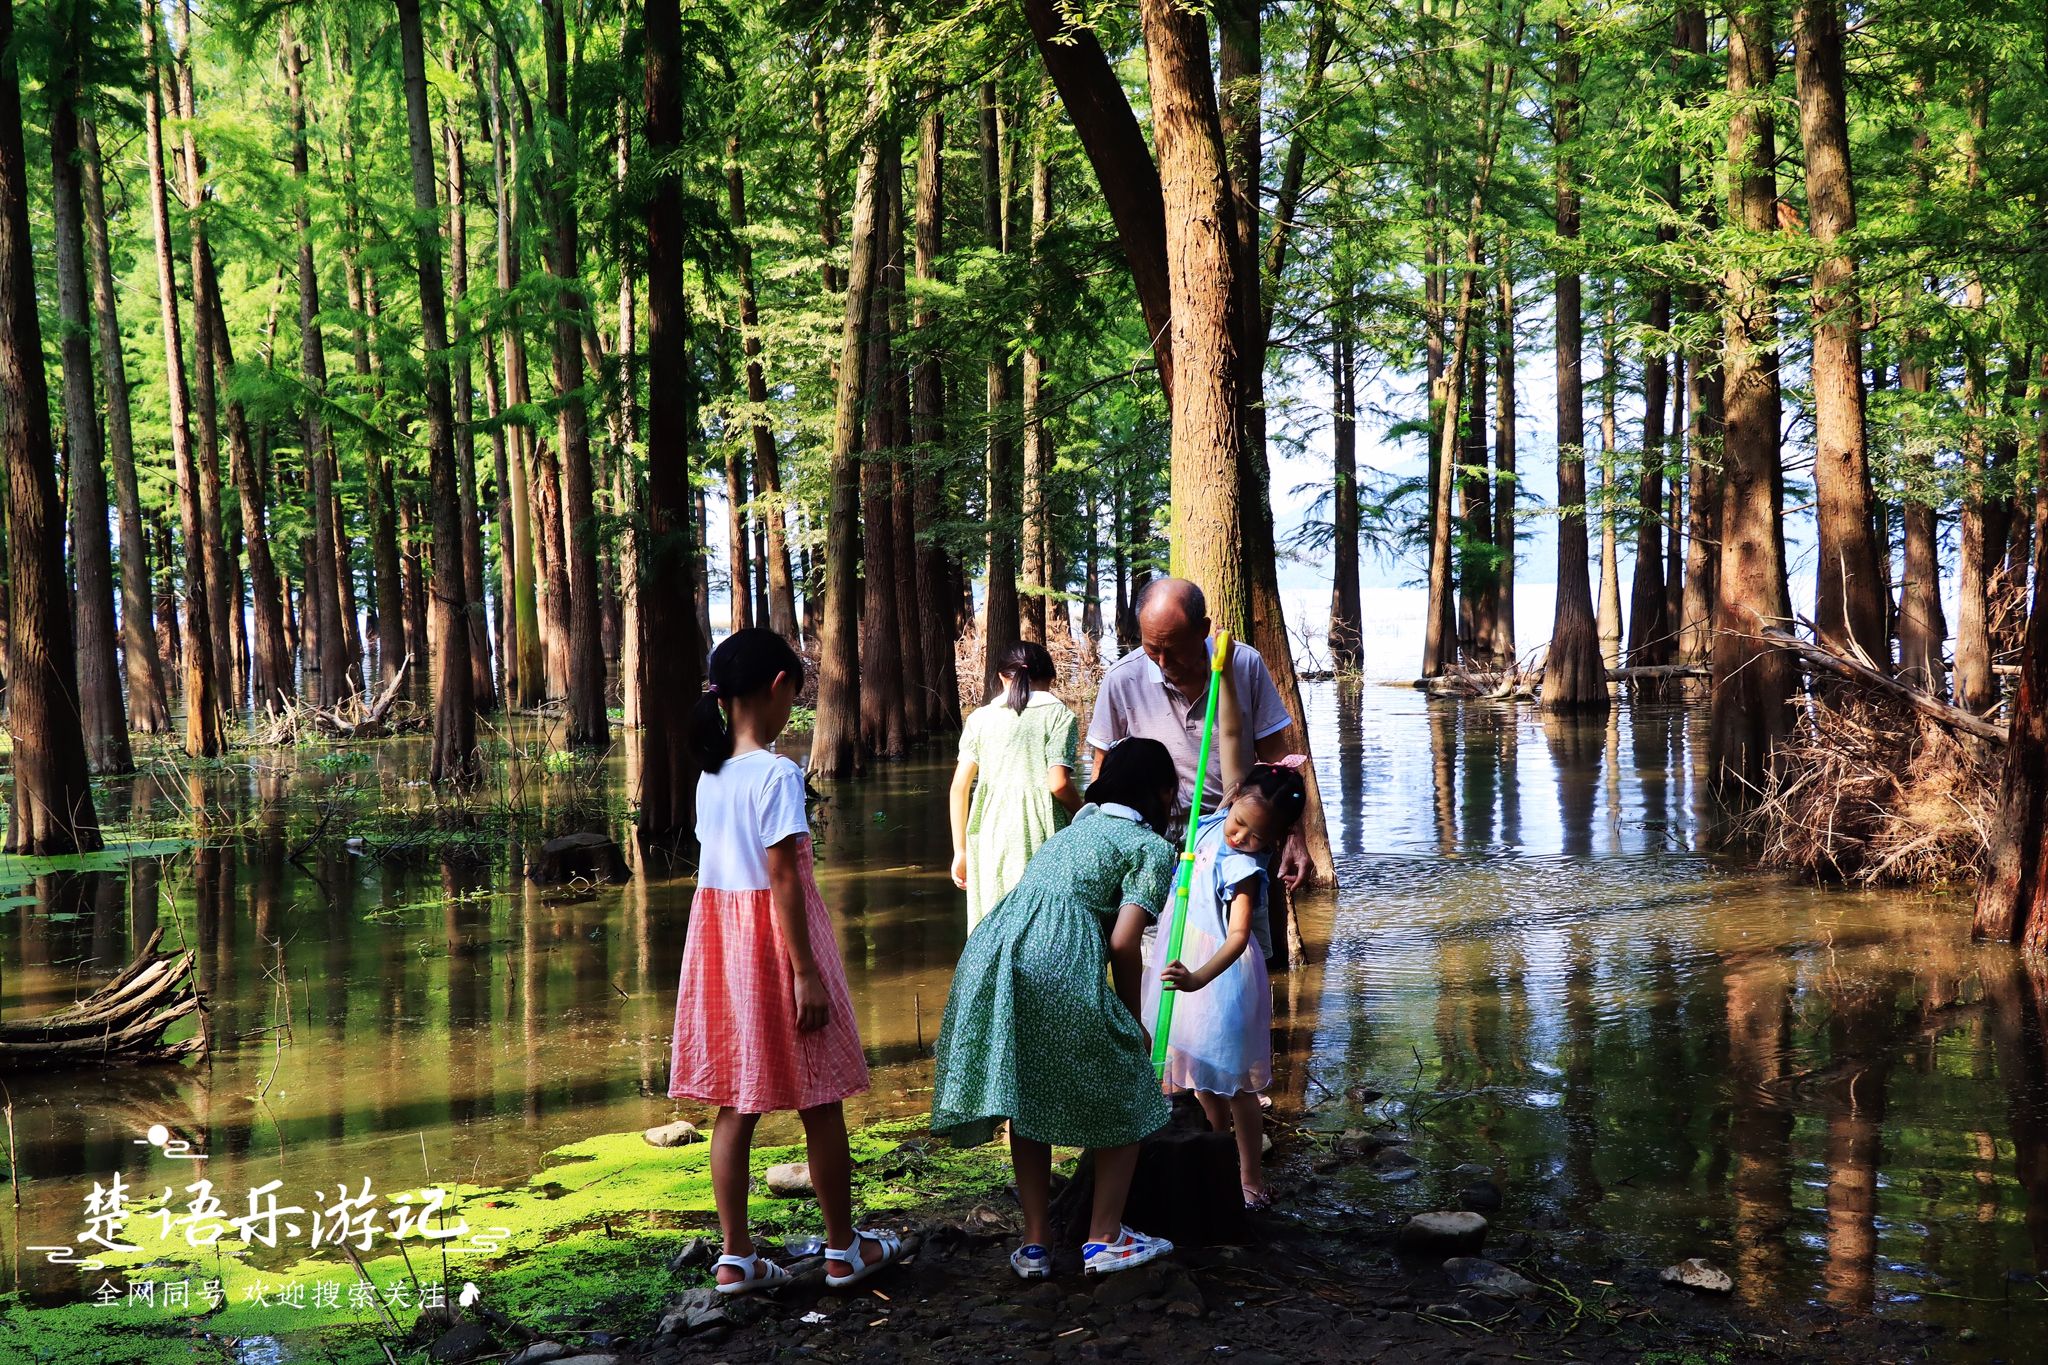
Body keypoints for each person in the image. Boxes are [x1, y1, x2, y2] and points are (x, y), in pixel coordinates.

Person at [669, 628, 906, 1296]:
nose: (792, 712)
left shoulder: (711, 776)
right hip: (776, 947)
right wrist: (804, 969)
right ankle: (841, 1248)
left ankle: (735, 1255)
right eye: (792, 698)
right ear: (776, 689)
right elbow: (782, 878)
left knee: (735, 1104)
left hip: (722, 949)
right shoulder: (776, 773)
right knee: (819, 1096)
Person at [929, 738, 1184, 1280]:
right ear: (1164, 793)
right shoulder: (1150, 848)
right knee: (1130, 1086)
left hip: (995, 953)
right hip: (1055, 957)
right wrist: (1133, 1018)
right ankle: (1104, 1237)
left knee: (1029, 1088)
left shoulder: (1076, 829)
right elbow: (1122, 945)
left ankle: (1037, 1245)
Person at [1143, 762, 1309, 1209]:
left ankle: (1250, 1178)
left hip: (1218, 974)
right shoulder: (1211, 819)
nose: (1240, 839)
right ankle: (1213, 1156)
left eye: (1257, 837)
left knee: (1236, 1086)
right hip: (1180, 952)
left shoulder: (1245, 868)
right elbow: (1233, 741)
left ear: (1274, 841)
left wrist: (1198, 978)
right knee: (1197, 1074)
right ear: (1231, 797)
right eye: (1239, 825)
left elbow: (1238, 937)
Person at [1086, 578, 1309, 893]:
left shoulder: (1243, 665)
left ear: (1202, 630)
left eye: (1173, 650)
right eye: (1152, 648)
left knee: (1240, 933)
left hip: (1236, 837)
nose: (1163, 663)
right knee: (1161, 938)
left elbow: (1278, 763)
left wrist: (1293, 836)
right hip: (1152, 842)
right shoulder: (1122, 679)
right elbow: (1102, 772)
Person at [950, 641, 1082, 931]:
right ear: (1050, 679)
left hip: (989, 832)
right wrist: (1085, 814)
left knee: (994, 924)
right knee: (1043, 925)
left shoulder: (980, 718)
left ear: (1001, 677)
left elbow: (959, 787)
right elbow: (1058, 783)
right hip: (1043, 832)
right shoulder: (1059, 715)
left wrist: (960, 852)